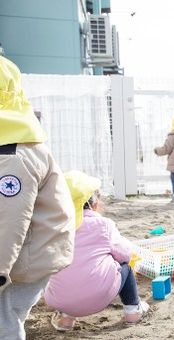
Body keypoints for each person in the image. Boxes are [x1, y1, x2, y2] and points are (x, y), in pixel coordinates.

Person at [0, 55, 75, 339]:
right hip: (24, 254)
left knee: (4, 320)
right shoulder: (13, 140)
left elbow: (10, 220)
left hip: (24, 260)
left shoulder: (12, 154)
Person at [44, 170, 149, 331]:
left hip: (60, 299)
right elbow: (125, 254)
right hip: (99, 297)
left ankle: (66, 320)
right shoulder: (102, 225)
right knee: (125, 267)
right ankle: (133, 311)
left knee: (65, 271)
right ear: (94, 204)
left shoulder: (53, 228)